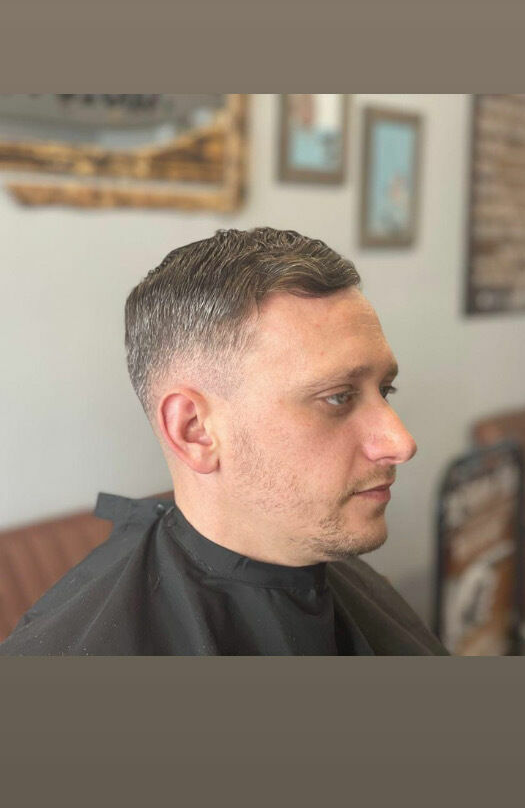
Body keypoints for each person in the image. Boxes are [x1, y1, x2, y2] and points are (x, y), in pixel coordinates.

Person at [2, 227, 448, 655]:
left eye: (385, 390)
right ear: (194, 430)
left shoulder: (328, 560)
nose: (401, 442)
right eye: (338, 397)